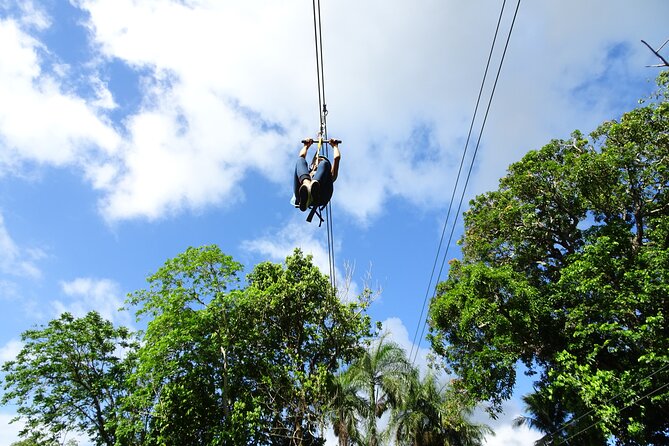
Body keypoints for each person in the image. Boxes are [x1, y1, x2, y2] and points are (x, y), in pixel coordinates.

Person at [293, 138, 341, 212]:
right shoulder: (308, 173)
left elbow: (337, 158)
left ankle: (314, 187)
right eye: (317, 161)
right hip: (301, 196)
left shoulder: (329, 174)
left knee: (325, 163)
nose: (318, 163)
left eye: (320, 161)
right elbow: (302, 156)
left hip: (320, 197)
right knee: (300, 160)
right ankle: (307, 186)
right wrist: (306, 146)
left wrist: (335, 146)